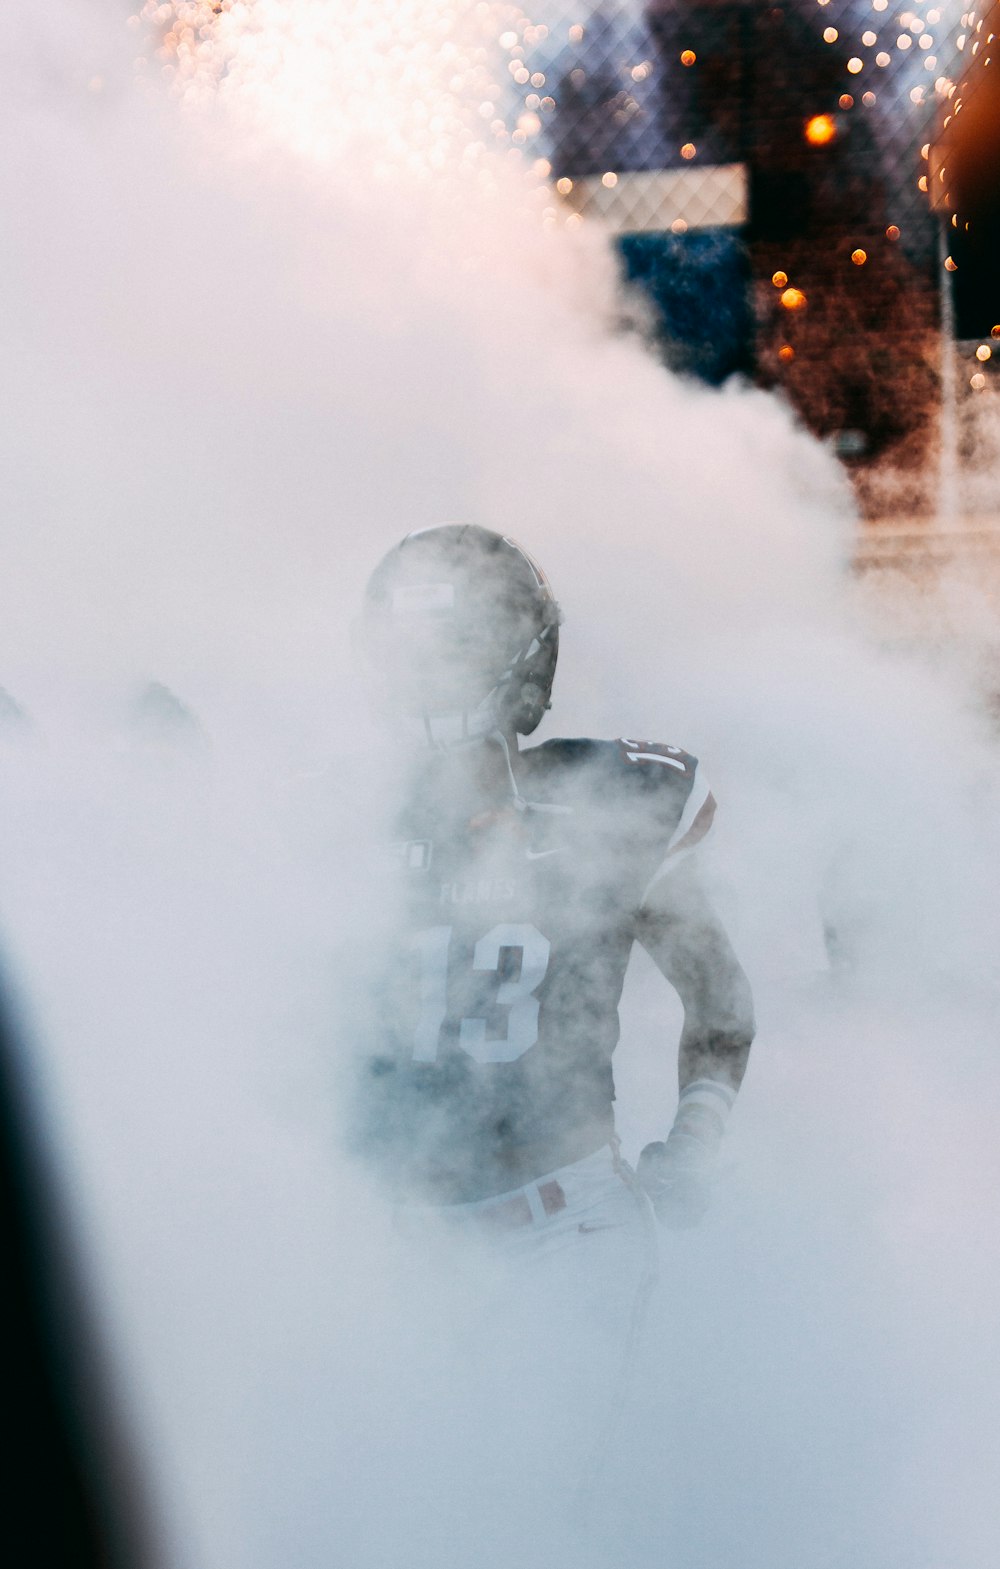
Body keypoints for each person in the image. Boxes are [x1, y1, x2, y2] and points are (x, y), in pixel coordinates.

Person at [352, 523, 755, 1255]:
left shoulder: (613, 798)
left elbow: (719, 1001)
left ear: (522, 658)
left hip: (568, 1227)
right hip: (387, 1242)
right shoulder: (331, 815)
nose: (430, 676)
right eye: (411, 653)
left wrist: (693, 1141)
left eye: (457, 649)